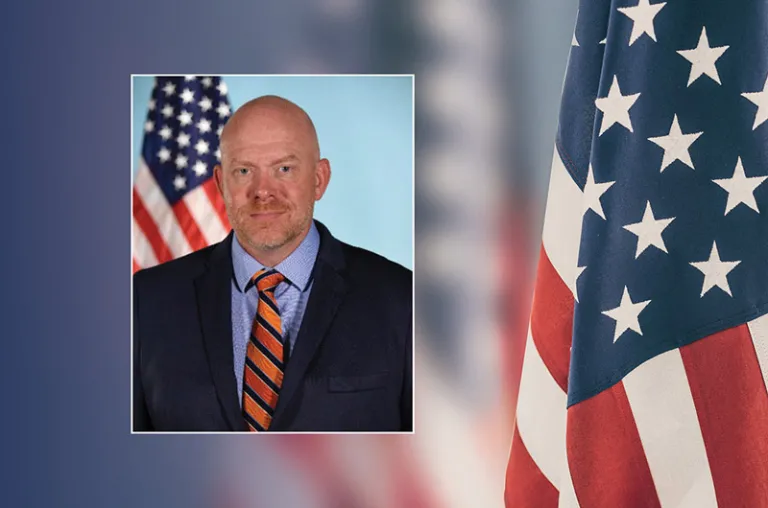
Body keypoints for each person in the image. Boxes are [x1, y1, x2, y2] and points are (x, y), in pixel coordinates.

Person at [133, 95, 412, 432]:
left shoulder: (403, 300)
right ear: (221, 184)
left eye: (284, 169)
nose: (263, 191)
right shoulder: (145, 301)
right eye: (244, 170)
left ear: (319, 179)